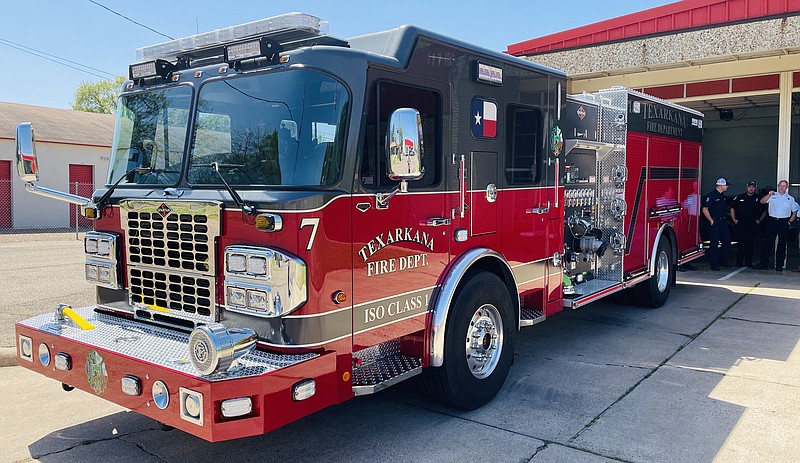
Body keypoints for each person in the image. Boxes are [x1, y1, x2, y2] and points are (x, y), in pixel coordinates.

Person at [758, 179, 798, 271]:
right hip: (772, 221)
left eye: (784, 186)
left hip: (783, 222)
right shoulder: (772, 196)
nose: (781, 188)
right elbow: (762, 201)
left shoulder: (790, 198)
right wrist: (769, 194)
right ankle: (764, 264)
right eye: (780, 185)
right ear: (778, 186)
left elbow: (794, 212)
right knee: (768, 242)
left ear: (787, 188)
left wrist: (789, 222)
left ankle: (779, 265)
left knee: (782, 244)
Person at [730, 181, 766, 268]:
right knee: (741, 244)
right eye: (750, 187)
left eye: (753, 187)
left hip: (752, 224)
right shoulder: (739, 197)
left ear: (755, 188)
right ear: (747, 187)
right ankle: (739, 262)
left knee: (750, 244)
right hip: (741, 223)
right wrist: (734, 220)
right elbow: (732, 208)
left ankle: (748, 263)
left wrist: (760, 220)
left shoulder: (759, 198)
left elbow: (765, 210)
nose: (751, 188)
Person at [701, 177, 731, 271]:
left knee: (727, 240)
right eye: (726, 185)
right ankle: (714, 263)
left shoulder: (722, 196)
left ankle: (723, 261)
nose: (727, 187)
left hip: (723, 221)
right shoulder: (712, 195)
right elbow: (705, 209)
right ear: (721, 185)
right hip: (715, 221)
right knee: (714, 242)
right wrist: (711, 220)